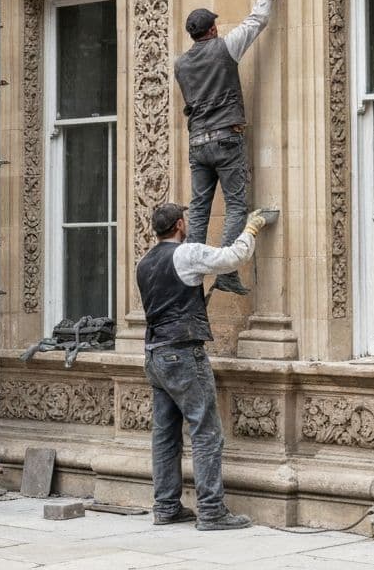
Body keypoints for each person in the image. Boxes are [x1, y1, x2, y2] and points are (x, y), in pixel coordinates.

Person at [137, 202, 276, 531]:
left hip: (155, 355)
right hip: (183, 354)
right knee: (206, 431)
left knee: (165, 435)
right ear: (180, 225)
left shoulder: (144, 262)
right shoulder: (186, 253)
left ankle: (167, 506)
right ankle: (212, 511)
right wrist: (251, 229)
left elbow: (170, 301)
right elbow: (231, 258)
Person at [174, 0, 280, 295]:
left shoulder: (180, 64)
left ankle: (190, 275)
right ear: (212, 29)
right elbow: (256, 21)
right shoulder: (225, 48)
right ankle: (228, 273)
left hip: (197, 143)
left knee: (200, 208)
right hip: (225, 138)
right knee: (236, 206)